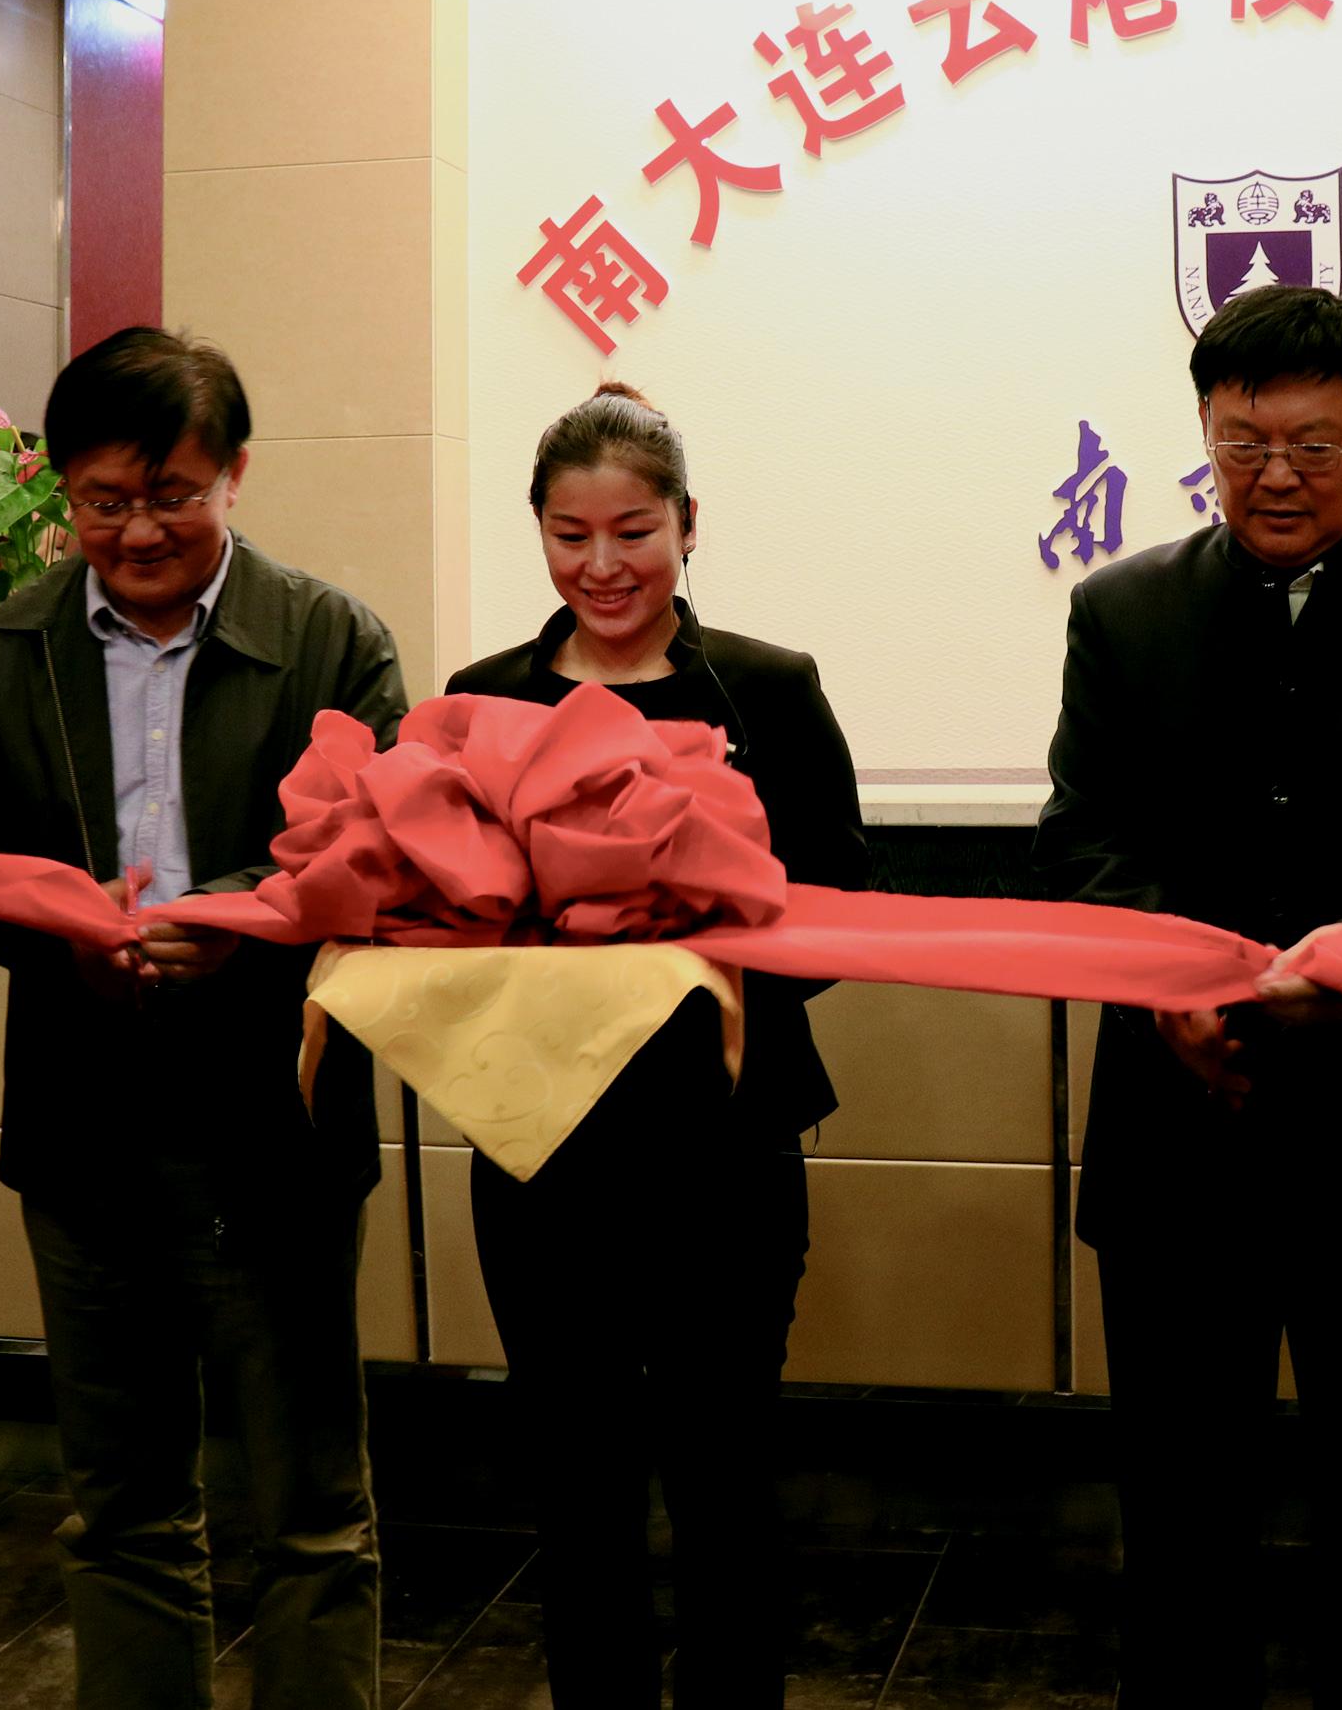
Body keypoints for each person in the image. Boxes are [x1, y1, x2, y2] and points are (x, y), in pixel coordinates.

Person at [1033, 284, 1342, 1708]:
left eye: (1313, 444)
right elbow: (1079, 837)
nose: (1274, 475)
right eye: (1242, 441)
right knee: (1178, 1518)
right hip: (1177, 1126)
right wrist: (1174, 984)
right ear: (1203, 428)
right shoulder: (1120, 609)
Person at [0, 327, 407, 1710]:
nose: (137, 529)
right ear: (63, 490)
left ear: (234, 474)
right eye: (103, 499)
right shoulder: (8, 648)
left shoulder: (329, 638)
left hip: (273, 1124)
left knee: (310, 1511)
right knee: (122, 1505)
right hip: (85, 1127)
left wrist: (239, 920)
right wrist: (61, 932)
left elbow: (380, 847)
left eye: (172, 494)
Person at [444, 380, 869, 1707]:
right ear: (537, 529)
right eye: (569, 535)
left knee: (723, 1479)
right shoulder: (482, 698)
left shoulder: (770, 688)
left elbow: (837, 903)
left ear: (688, 524)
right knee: (576, 1490)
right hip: (539, 1152)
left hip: (722, 1147)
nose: (602, 564)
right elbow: (442, 912)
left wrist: (693, 929)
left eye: (632, 531)